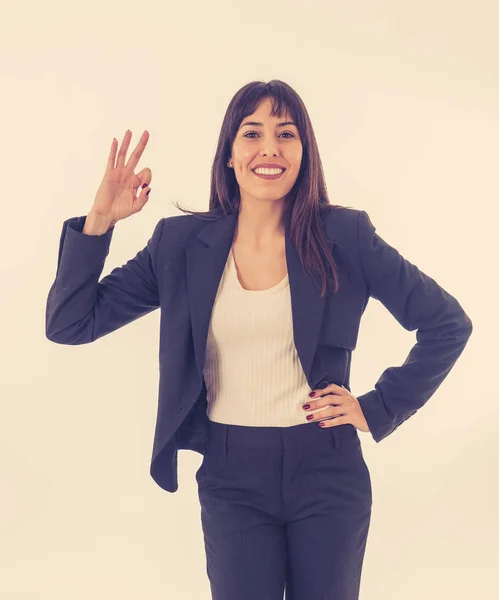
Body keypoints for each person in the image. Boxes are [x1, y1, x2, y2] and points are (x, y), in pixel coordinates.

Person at [45, 80, 473, 600]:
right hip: (231, 472)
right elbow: (70, 323)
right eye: (252, 133)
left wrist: (377, 407)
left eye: (285, 134)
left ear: (303, 152)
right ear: (229, 154)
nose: (269, 148)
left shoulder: (346, 237)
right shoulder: (180, 246)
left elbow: (447, 323)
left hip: (327, 468)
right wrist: (98, 223)